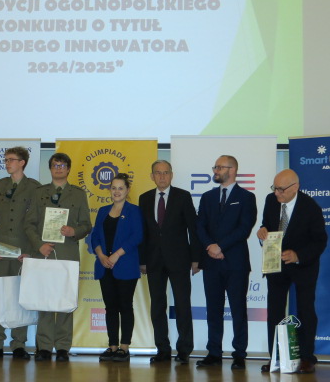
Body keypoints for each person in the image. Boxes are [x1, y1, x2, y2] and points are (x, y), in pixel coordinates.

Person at [257, 169, 327, 374]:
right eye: (274, 188)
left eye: (281, 189)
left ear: (295, 187)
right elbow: (267, 226)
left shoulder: (310, 207)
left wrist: (298, 255)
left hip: (303, 266)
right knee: (275, 311)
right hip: (276, 264)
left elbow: (320, 241)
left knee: (305, 310)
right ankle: (276, 357)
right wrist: (262, 231)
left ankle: (306, 358)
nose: (276, 193)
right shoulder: (271, 200)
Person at [24, 153, 92, 362]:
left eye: (62, 165)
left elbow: (86, 225)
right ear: (50, 168)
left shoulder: (78, 194)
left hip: (67, 254)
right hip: (44, 253)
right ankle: (44, 346)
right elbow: (29, 224)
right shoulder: (39, 193)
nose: (58, 168)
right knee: (44, 301)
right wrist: (39, 245)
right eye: (55, 165)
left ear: (68, 169)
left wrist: (74, 231)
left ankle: (63, 346)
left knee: (65, 300)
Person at [195, 155, 257, 370]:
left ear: (232, 170)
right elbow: (200, 226)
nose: (215, 170)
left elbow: (244, 228)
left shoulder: (246, 197)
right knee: (213, 310)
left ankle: (239, 354)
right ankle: (214, 352)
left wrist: (220, 247)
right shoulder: (207, 197)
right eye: (215, 167)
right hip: (211, 262)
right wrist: (210, 246)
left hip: (236, 263)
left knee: (238, 309)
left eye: (220, 167)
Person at [0, 147, 40, 360]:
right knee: (0, 297)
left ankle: (19, 345)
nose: (7, 163)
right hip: (1, 250)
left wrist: (31, 251)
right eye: (5, 160)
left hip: (23, 251)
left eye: (11, 160)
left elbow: (37, 222)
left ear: (22, 162)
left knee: (20, 297)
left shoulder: (34, 187)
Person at [138, 160, 200, 364]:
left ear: (171, 175)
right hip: (153, 260)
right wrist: (143, 260)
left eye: (166, 172)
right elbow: (143, 232)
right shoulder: (144, 198)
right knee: (157, 306)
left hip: (179, 260)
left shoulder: (183, 196)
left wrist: (196, 258)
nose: (162, 176)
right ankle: (162, 350)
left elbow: (193, 229)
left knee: (182, 305)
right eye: (158, 173)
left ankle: (184, 350)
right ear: (152, 176)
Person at [88, 173, 143, 362]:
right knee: (110, 307)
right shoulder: (103, 211)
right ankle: (112, 346)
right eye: (113, 188)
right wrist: (101, 255)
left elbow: (137, 236)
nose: (117, 191)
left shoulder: (134, 211)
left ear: (127, 190)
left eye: (120, 188)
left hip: (125, 265)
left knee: (125, 306)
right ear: (109, 190)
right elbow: (95, 236)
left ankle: (124, 347)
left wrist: (116, 254)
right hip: (104, 266)